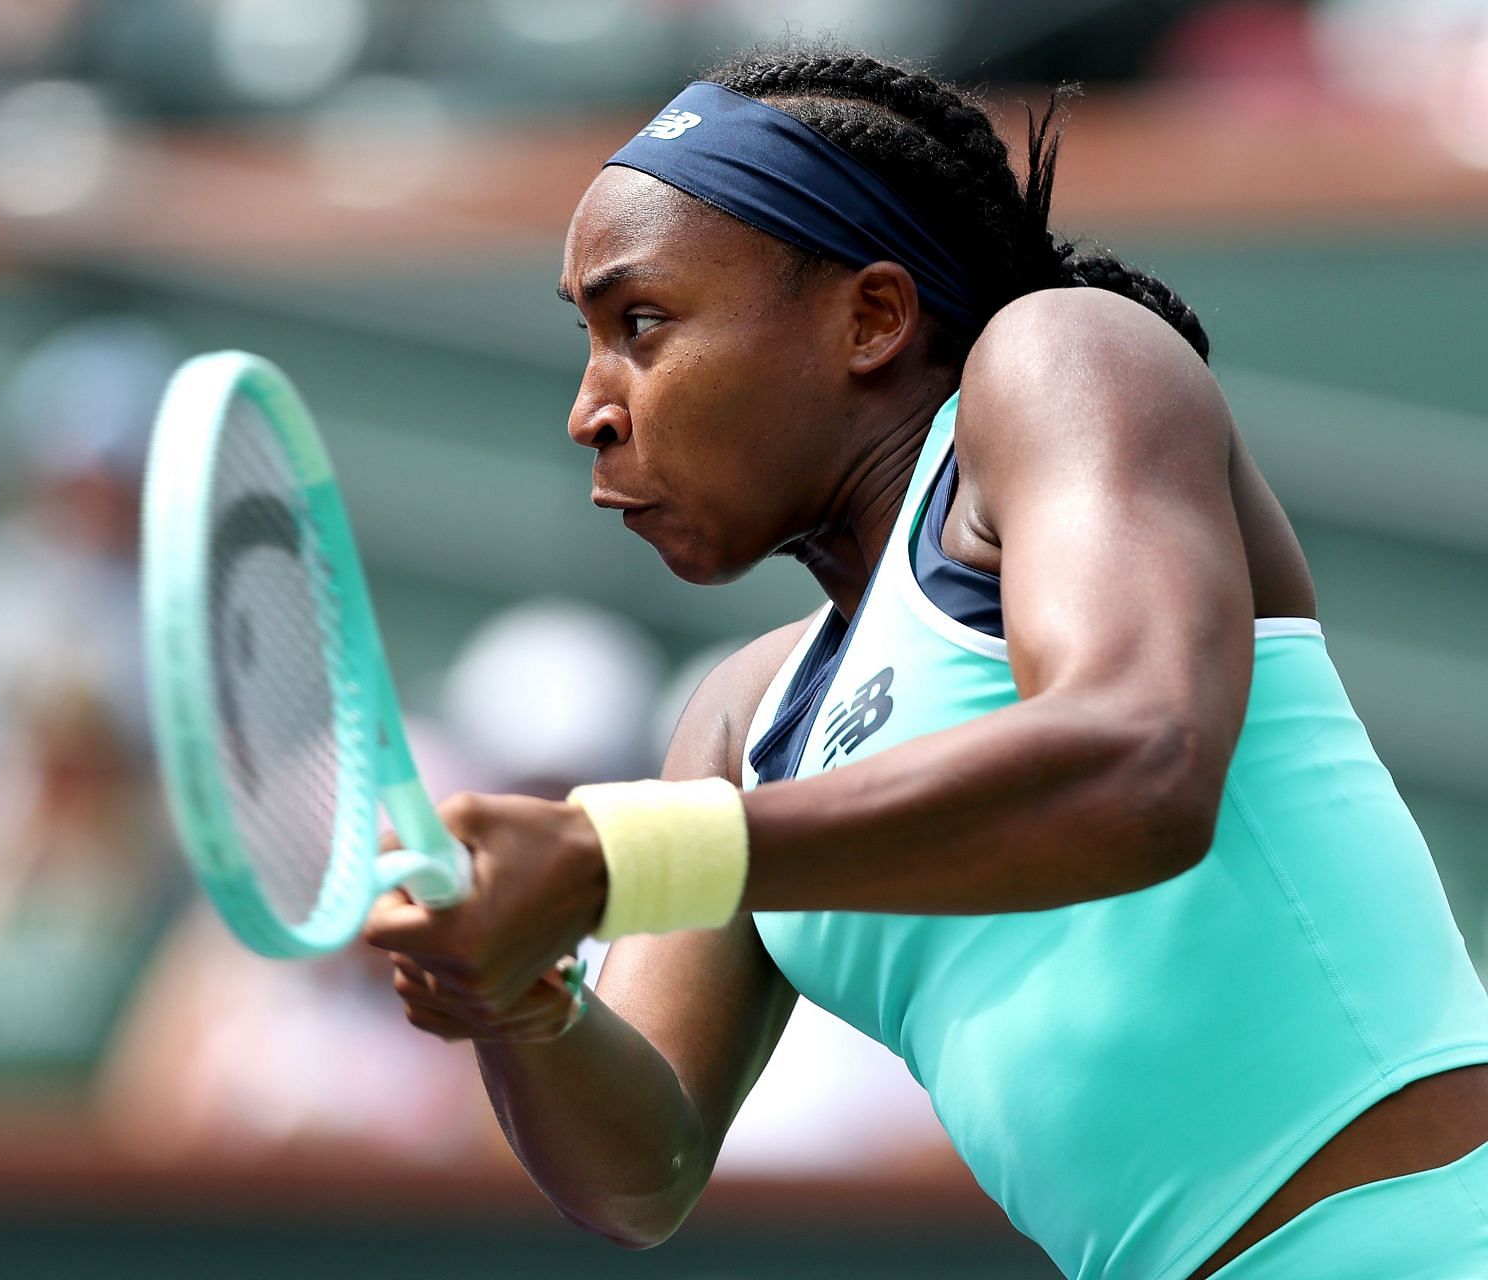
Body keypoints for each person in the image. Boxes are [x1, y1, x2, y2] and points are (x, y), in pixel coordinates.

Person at [363, 40, 1488, 1280]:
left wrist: (611, 857)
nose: (592, 406)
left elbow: (1140, 763)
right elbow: (645, 1172)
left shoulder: (1063, 359)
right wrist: (523, 994)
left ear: (873, 318)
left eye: (642, 323)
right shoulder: (739, 721)